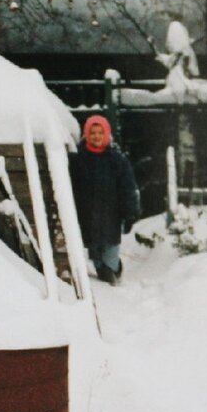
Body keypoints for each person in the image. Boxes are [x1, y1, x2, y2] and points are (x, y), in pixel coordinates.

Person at [69, 114, 139, 285]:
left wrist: (130, 213)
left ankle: (114, 273)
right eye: (92, 132)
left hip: (110, 217)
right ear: (87, 134)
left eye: (100, 132)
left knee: (110, 255)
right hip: (88, 217)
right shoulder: (79, 160)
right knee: (96, 255)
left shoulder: (117, 160)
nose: (96, 136)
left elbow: (127, 189)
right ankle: (105, 279)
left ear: (107, 134)